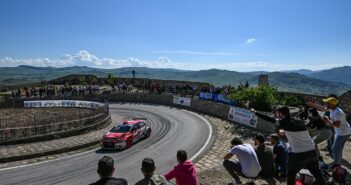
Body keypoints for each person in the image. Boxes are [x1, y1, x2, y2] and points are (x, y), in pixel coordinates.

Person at [251, 106, 327, 185]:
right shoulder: (299, 121)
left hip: (298, 154)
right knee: (317, 173)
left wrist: (255, 112)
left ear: (280, 114)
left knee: (291, 174)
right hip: (312, 151)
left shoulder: (283, 122)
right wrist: (286, 133)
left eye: (278, 113)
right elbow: (296, 132)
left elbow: (269, 119)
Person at [322, 97, 351, 165]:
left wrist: (327, 120)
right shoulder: (332, 109)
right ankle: (338, 163)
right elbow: (323, 108)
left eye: (327, 103)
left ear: (332, 104)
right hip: (343, 132)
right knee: (338, 149)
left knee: (335, 149)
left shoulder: (338, 112)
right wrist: (312, 104)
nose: (325, 104)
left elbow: (337, 125)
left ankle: (336, 164)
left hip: (343, 133)